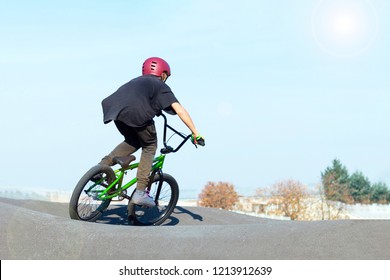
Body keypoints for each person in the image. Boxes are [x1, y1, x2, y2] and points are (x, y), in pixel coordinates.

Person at [99, 57, 205, 207]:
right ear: (162, 74)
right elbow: (179, 110)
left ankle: (100, 168)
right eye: (166, 76)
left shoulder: (135, 81)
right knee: (149, 146)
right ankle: (140, 192)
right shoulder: (159, 85)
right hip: (137, 113)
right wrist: (195, 132)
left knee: (133, 140)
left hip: (116, 112)